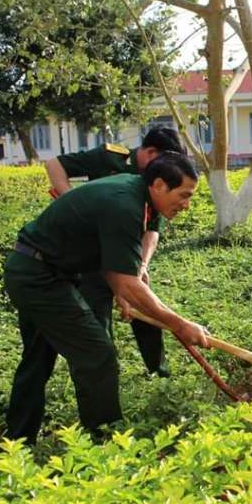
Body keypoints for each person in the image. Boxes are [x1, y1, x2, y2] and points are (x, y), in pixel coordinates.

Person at [4, 153, 209, 444]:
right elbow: (128, 283)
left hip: (37, 269)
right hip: (39, 277)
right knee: (97, 354)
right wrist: (179, 324)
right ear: (160, 185)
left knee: (39, 358)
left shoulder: (136, 196)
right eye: (184, 195)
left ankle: (16, 441)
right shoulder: (125, 204)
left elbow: (113, 267)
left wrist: (123, 290)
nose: (187, 205)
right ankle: (104, 445)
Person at [43, 127, 184, 377]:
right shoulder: (111, 158)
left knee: (147, 311)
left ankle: (159, 371)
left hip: (127, 254)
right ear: (151, 152)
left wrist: (141, 266)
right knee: (98, 322)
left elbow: (152, 229)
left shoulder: (158, 181)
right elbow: (54, 164)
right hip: (94, 256)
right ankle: (104, 378)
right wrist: (70, 200)